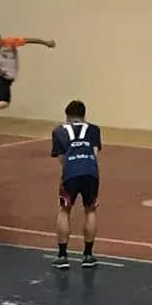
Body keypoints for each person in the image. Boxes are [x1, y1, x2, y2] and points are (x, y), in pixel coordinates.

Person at [51, 100, 101, 270]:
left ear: (67, 116)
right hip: (90, 172)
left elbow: (61, 158)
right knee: (90, 210)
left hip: (70, 173)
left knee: (64, 210)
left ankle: (62, 256)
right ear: (84, 115)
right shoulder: (94, 129)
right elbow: (94, 153)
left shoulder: (59, 131)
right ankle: (88, 255)